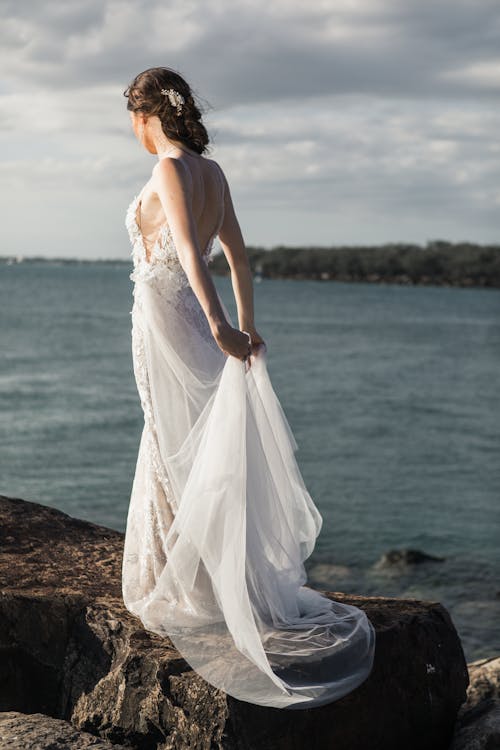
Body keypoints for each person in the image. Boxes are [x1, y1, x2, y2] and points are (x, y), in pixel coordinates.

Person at [121, 66, 376, 710]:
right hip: (194, 324)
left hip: (172, 323)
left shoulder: (170, 171)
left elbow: (186, 248)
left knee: (170, 438)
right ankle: (204, 577)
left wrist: (220, 327)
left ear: (147, 115)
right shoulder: (216, 174)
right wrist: (246, 326)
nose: (133, 131)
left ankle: (188, 587)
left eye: (133, 118)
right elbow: (237, 253)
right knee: (193, 443)